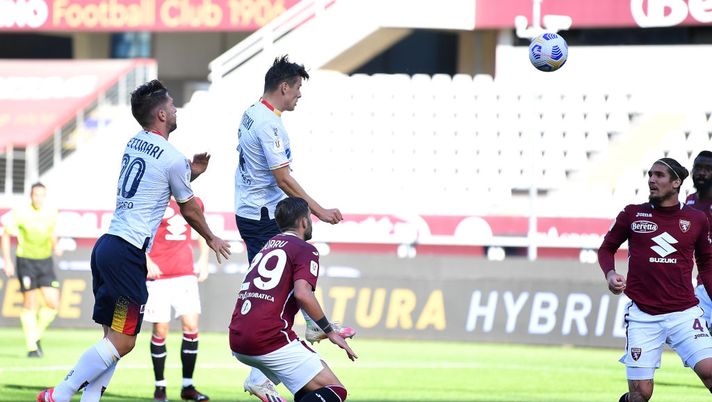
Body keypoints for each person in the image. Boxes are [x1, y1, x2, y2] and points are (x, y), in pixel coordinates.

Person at [37, 79, 231, 402]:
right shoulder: (171, 156)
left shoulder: (134, 142)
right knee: (124, 342)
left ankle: (89, 399)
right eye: (170, 105)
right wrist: (210, 237)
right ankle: (60, 394)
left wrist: (190, 172)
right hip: (127, 254)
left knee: (111, 339)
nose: (174, 108)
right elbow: (189, 208)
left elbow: (156, 182)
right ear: (160, 115)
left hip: (107, 247)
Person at [234, 55, 355, 401]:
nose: (299, 95)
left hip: (251, 210)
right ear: (284, 86)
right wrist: (317, 210)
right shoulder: (269, 125)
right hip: (261, 214)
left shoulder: (252, 113)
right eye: (298, 88)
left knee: (281, 282)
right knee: (283, 280)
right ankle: (263, 372)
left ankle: (310, 328)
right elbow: (282, 177)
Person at [598, 158, 712, 402]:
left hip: (685, 314)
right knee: (641, 395)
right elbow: (606, 249)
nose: (651, 179)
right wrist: (610, 274)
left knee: (710, 372)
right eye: (650, 174)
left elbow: (706, 264)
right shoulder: (631, 214)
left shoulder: (696, 219)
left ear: (676, 183)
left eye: (659, 175)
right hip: (643, 316)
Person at [230, 197, 357, 402]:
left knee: (308, 390)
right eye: (310, 217)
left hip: (237, 337)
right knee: (334, 390)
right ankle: (258, 379)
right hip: (268, 338)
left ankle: (259, 378)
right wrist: (329, 331)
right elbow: (303, 293)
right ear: (303, 222)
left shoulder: (268, 246)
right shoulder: (304, 249)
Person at [145, 197, 211, 402]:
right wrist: (147, 260)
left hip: (185, 274)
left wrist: (204, 259)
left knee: (191, 326)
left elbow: (202, 229)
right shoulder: (154, 201)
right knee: (160, 330)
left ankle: (187, 386)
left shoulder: (195, 201)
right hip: (158, 276)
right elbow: (139, 233)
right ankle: (160, 387)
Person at [1, 182, 61, 358]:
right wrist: (8, 261)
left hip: (45, 261)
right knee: (30, 303)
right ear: (31, 196)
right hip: (26, 261)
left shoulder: (51, 212)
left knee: (53, 303)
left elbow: (52, 233)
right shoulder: (20, 212)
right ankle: (32, 347)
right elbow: (5, 234)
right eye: (36, 195)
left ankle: (35, 336)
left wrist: (55, 246)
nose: (39, 198)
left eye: (42, 195)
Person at [686, 151, 712, 327]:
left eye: (708, 169)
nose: (702, 172)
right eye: (698, 168)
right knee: (700, 345)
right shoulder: (689, 202)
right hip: (704, 284)